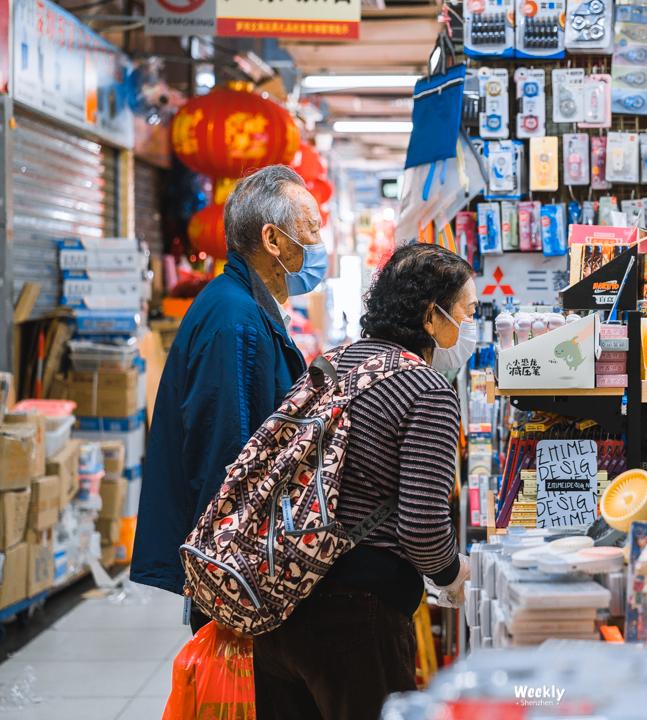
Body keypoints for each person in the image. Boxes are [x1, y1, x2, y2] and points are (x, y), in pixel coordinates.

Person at [252, 243, 475, 720]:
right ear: (432, 317)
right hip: (356, 617)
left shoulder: (334, 364)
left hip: (279, 599)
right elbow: (422, 528)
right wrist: (454, 576)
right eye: (467, 312)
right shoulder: (428, 391)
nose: (469, 325)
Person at [131, 166, 324, 633]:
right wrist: (230, 581)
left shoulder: (245, 304)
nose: (320, 242)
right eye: (312, 229)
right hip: (232, 575)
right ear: (273, 240)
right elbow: (225, 456)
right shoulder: (234, 320)